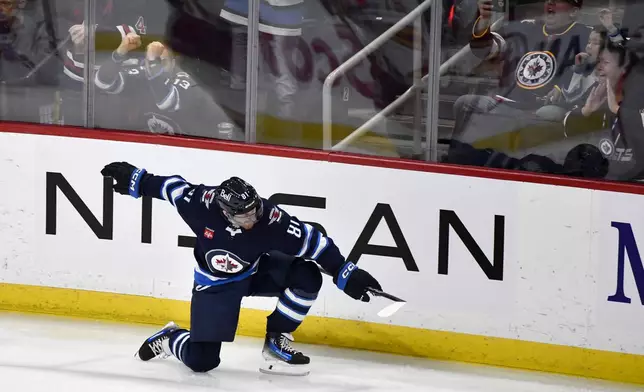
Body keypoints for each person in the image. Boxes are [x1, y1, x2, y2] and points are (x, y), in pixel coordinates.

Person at [99, 161, 383, 376]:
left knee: (306, 276)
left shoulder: (270, 219)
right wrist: (137, 180)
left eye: (254, 209)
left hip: (256, 272)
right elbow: (171, 187)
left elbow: (315, 243)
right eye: (245, 215)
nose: (253, 217)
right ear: (225, 212)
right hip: (215, 284)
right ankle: (172, 337)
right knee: (202, 362)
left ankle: (275, 342)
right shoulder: (200, 204)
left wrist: (346, 274)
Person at [448, 0, 591, 160]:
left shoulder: (586, 36)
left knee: (547, 115)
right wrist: (484, 21)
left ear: (574, 12)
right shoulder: (525, 27)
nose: (550, 2)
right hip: (506, 105)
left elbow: (593, 70)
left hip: (542, 110)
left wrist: (562, 88)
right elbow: (486, 51)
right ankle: (457, 164)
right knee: (465, 103)